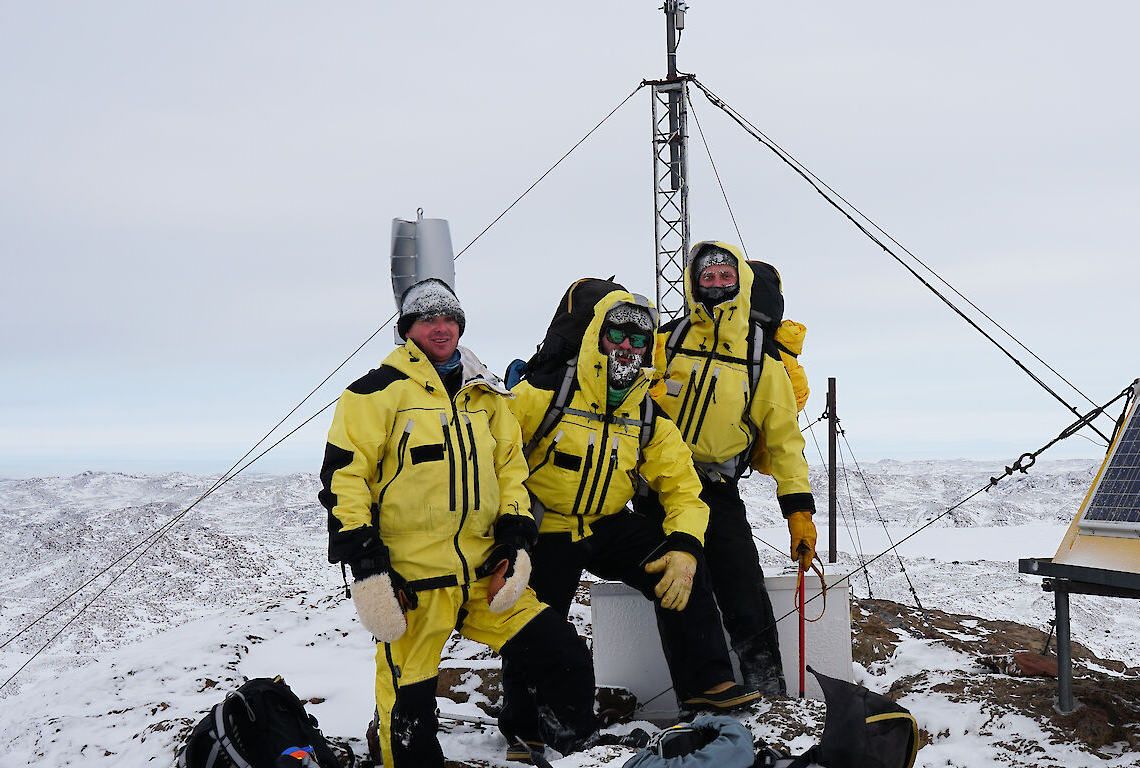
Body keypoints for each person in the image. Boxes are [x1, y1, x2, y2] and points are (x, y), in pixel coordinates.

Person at [319, 278, 597, 767]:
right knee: (409, 714)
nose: (441, 328)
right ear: (408, 329)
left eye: (449, 318)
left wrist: (514, 537)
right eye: (428, 319)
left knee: (563, 653)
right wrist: (367, 565)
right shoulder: (374, 393)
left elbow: (511, 470)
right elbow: (346, 479)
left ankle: (580, 751)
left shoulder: (485, 395)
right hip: (414, 584)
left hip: (481, 574)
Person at [503, 278, 761, 729]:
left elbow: (683, 487)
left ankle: (706, 688)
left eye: (638, 339)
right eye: (616, 335)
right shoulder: (543, 395)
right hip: (547, 527)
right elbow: (494, 457)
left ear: (648, 349)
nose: (626, 346)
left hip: (607, 525)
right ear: (596, 338)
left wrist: (684, 544)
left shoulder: (645, 413)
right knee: (535, 623)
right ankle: (527, 727)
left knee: (679, 569)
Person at [641, 241, 817, 697]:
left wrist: (798, 510)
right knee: (677, 588)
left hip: (717, 486)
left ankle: (770, 693)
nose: (717, 285)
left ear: (740, 281)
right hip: (657, 489)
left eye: (725, 277)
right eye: (707, 277)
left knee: (743, 589)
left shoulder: (762, 356)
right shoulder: (669, 341)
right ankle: (699, 696)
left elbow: (783, 439)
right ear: (693, 283)